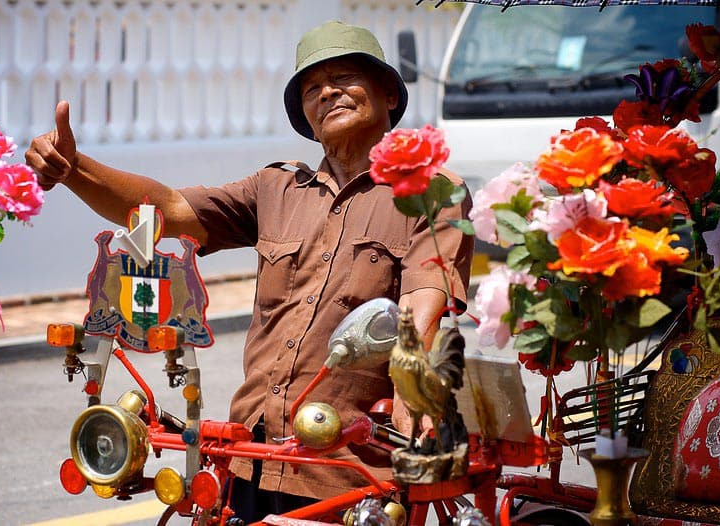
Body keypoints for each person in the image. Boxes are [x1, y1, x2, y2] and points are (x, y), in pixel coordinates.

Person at [26, 20, 473, 520]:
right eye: (311, 88)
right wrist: (75, 168)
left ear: (388, 92)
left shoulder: (432, 193)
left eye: (343, 77)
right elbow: (166, 210)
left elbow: (421, 311)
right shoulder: (274, 189)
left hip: (353, 474)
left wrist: (412, 444)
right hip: (249, 463)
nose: (326, 93)